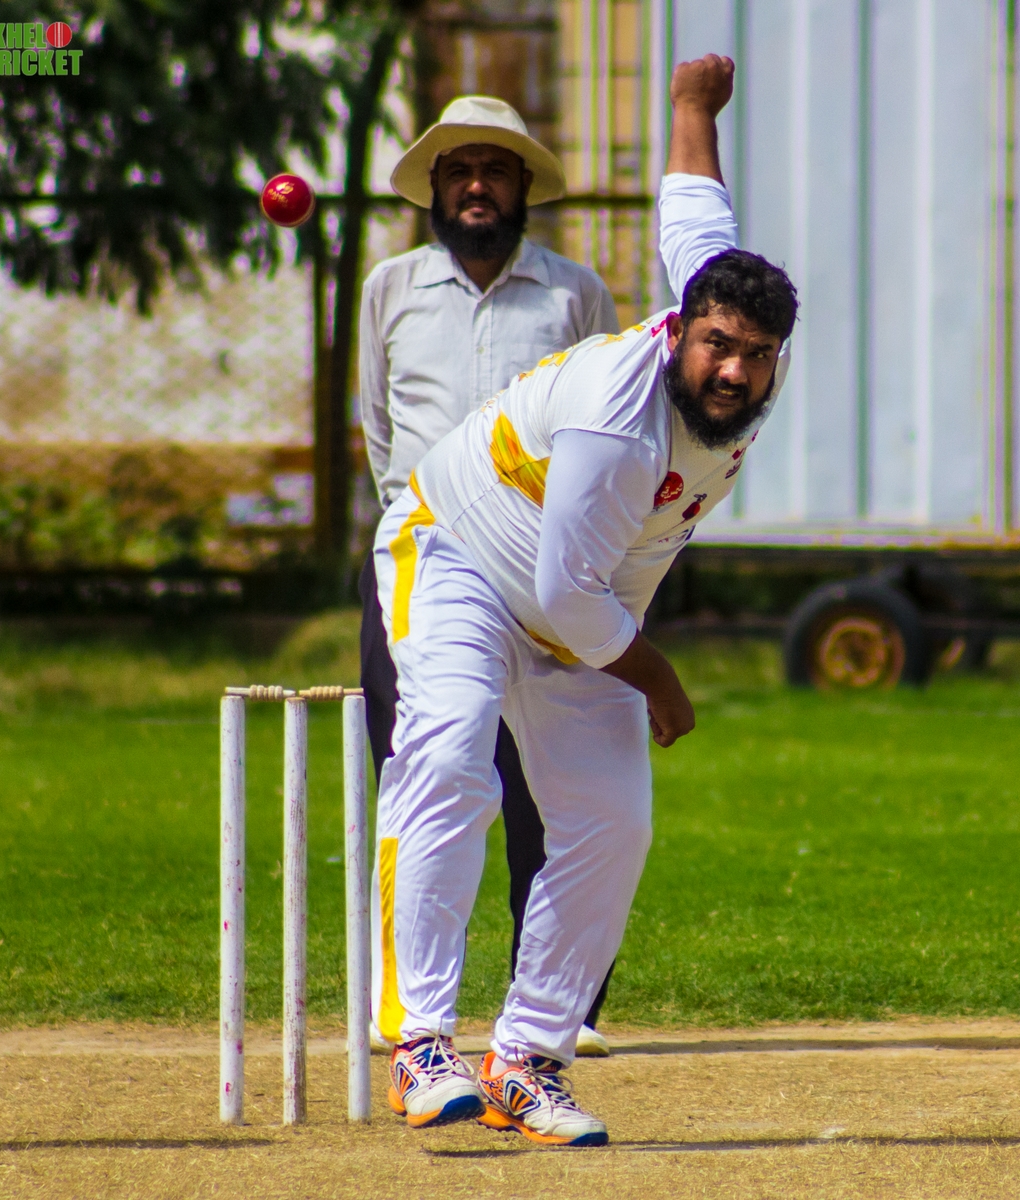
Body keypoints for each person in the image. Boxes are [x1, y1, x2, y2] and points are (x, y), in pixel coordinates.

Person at [373, 53, 798, 1147]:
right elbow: (566, 590)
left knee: (612, 820)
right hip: (461, 552)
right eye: (716, 346)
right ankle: (420, 1041)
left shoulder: (737, 331)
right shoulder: (622, 417)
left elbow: (695, 212)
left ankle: (525, 1058)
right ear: (681, 332)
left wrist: (692, 108)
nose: (733, 373)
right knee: (452, 754)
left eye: (755, 357)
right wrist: (657, 676)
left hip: (580, 603)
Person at [358, 95, 622, 1057]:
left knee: (551, 784)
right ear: (435, 188)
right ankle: (416, 1010)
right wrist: (413, 515)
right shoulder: (391, 287)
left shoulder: (572, 293)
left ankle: (557, 1008)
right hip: (422, 552)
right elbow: (377, 424)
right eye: (460, 170)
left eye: (496, 170)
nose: (478, 186)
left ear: (523, 189)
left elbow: (605, 420)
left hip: (541, 559)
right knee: (427, 765)